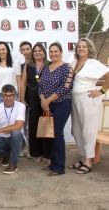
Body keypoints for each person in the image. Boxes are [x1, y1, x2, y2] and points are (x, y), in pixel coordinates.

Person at [70, 38, 109, 174]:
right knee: (76, 130)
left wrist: (101, 91)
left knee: (88, 131)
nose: (81, 49)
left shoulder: (93, 63)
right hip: (74, 98)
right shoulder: (74, 62)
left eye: (84, 47)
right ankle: (82, 157)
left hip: (88, 99)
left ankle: (88, 161)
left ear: (89, 49)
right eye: (79, 46)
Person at [39, 42, 73, 176]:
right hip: (47, 105)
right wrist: (43, 100)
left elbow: (65, 87)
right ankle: (53, 163)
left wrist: (48, 100)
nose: (53, 54)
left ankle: (59, 168)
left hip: (61, 104)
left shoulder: (67, 68)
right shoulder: (46, 68)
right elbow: (40, 85)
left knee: (57, 134)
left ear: (61, 52)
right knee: (50, 134)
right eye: (51, 51)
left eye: (56, 51)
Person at [20, 43, 51, 163]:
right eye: (35, 51)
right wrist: (22, 99)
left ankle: (47, 154)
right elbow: (23, 83)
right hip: (32, 97)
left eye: (40, 50)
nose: (37, 52)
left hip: (46, 98)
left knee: (46, 125)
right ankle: (36, 153)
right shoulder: (29, 66)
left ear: (44, 52)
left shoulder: (49, 65)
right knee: (34, 125)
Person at [0, 84, 26, 174]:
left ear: (15, 96)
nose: (8, 98)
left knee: (16, 133)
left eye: (11, 95)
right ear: (2, 96)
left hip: (18, 139)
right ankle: (7, 155)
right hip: (3, 139)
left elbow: (18, 126)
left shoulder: (21, 106)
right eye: (6, 95)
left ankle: (13, 164)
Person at [0, 41, 21, 106]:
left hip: (13, 95)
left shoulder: (15, 64)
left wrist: (20, 97)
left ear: (7, 50)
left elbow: (19, 83)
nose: (1, 52)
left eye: (3, 49)